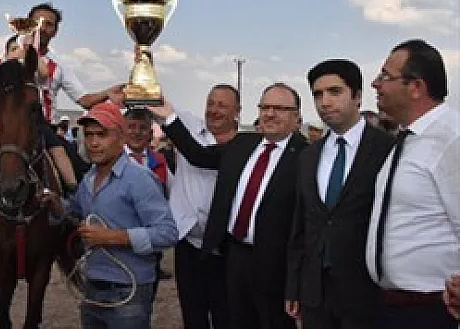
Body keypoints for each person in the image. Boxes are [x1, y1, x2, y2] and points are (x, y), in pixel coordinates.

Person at [151, 83, 307, 329]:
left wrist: (298, 283)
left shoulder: (307, 156)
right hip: (233, 256)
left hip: (275, 265)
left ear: (296, 116)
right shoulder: (243, 144)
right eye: (265, 107)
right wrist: (168, 116)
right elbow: (198, 155)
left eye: (279, 108)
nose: (270, 114)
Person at [0, 27, 120, 259]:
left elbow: (44, 72)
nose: (18, 50)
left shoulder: (44, 66)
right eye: (13, 47)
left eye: (21, 46)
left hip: (39, 124)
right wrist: (16, 54)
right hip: (7, 127)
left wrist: (30, 52)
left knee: (70, 161)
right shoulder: (5, 69)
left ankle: (74, 219)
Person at [41, 101, 177, 329]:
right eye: (89, 135)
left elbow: (167, 233)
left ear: (121, 138)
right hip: (92, 286)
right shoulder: (89, 179)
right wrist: (57, 206)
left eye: (101, 135)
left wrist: (113, 237)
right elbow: (77, 212)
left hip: (129, 290)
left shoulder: (139, 179)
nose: (94, 143)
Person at [285, 60, 394, 329]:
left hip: (366, 294)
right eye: (318, 94)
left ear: (357, 96)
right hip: (315, 294)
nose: (325, 102)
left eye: (335, 92)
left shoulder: (387, 149)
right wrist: (294, 285)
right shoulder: (308, 156)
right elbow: (301, 226)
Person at [365, 39, 459, 328]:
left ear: (416, 87)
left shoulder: (451, 139)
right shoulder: (407, 140)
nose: (375, 84)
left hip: (433, 310)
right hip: (391, 306)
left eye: (385, 76)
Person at [163, 84, 240, 329]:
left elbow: (200, 156)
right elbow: (156, 102)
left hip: (226, 250)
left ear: (237, 111)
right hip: (189, 245)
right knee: (193, 316)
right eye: (210, 103)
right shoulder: (188, 126)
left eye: (222, 105)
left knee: (226, 316)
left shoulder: (244, 148)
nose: (214, 110)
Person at [124, 108, 172, 294]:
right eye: (131, 127)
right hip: (118, 239)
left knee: (147, 294)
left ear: (151, 134)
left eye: (142, 128)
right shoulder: (111, 160)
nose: (137, 132)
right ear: (122, 130)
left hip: (149, 243)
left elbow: (172, 194)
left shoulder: (160, 162)